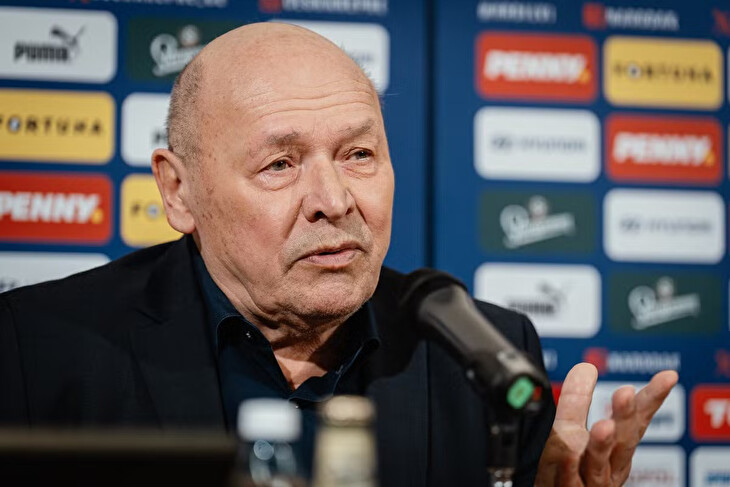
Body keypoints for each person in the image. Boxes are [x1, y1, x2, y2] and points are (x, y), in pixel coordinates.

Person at [0, 23, 676, 486]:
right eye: (280, 163)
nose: (333, 200)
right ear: (179, 192)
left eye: (358, 154)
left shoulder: (483, 355)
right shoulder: (35, 350)